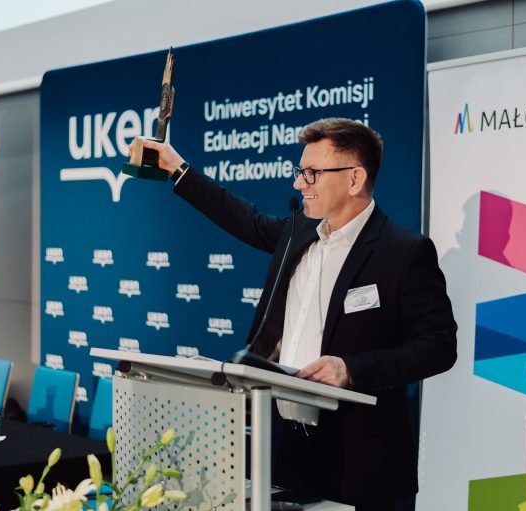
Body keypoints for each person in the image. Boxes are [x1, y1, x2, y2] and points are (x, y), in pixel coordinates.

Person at [132, 118, 457, 511]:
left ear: (355, 179)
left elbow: (439, 346)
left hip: (361, 458)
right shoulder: (299, 231)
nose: (299, 183)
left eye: (311, 173)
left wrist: (351, 369)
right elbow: (240, 217)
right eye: (300, 171)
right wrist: (176, 168)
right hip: (287, 445)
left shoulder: (403, 251)